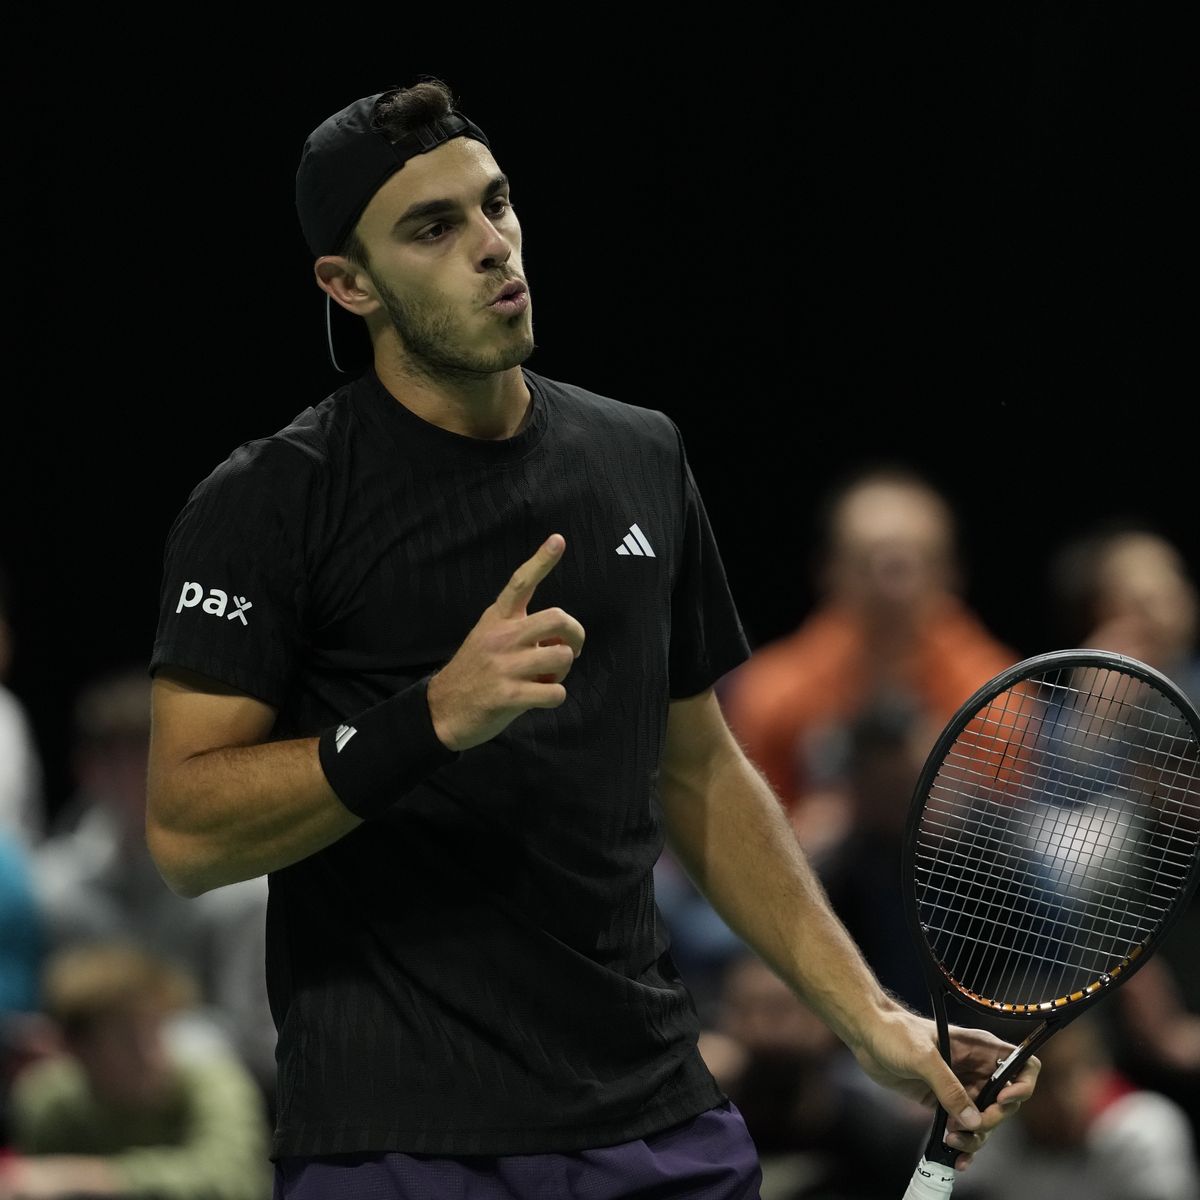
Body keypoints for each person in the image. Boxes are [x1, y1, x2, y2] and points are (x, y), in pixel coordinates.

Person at [144, 77, 1038, 1199]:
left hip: (652, 1120)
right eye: (433, 227)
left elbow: (701, 770)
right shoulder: (269, 501)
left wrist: (872, 1023)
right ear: (348, 283)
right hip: (399, 1138)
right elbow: (186, 832)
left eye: (496, 203)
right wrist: (427, 721)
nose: (492, 245)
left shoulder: (639, 456)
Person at [720, 463, 1017, 854]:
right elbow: (742, 841)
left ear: (950, 574)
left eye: (910, 563)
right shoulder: (769, 691)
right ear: (830, 572)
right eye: (868, 562)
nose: (889, 586)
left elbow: (1007, 830)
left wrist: (938, 793)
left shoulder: (996, 690)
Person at [31, 667, 277, 1104]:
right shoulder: (55, 887)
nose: (139, 783)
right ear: (87, 770)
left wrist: (138, 1047)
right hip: (90, 1104)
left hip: (204, 1107)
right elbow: (54, 1020)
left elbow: (260, 1048)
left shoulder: (242, 890)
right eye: (119, 761)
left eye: (152, 761)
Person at [0, 942, 273, 1199]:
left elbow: (234, 1180)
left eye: (155, 1033)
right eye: (126, 1041)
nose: (150, 1056)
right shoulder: (49, 1100)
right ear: (77, 1048)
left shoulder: (213, 1082)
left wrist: (96, 1177)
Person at [951, 1016, 1200, 1200]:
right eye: (1046, 1080)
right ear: (1010, 1085)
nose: (1065, 1096)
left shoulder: (1147, 1130)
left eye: (1078, 1070)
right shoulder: (981, 1129)